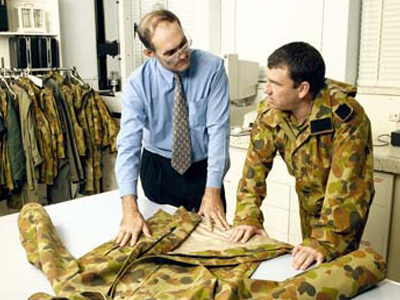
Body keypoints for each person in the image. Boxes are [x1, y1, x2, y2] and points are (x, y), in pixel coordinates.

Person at [229, 42, 374, 271]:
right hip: (308, 201)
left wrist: (324, 241)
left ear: (302, 89)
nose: (266, 90)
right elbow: (253, 171)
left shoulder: (345, 116)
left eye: (275, 84)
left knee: (334, 274)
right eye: (266, 81)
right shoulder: (270, 112)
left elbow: (347, 188)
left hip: (344, 209)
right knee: (307, 265)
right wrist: (248, 217)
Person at [115, 10, 230, 247]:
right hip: (159, 171)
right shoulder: (137, 84)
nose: (182, 55)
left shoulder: (213, 69)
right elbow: (128, 145)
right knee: (160, 247)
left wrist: (212, 192)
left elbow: (219, 131)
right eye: (170, 52)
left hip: (203, 173)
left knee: (213, 245)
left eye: (183, 44)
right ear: (150, 53)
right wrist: (129, 208)